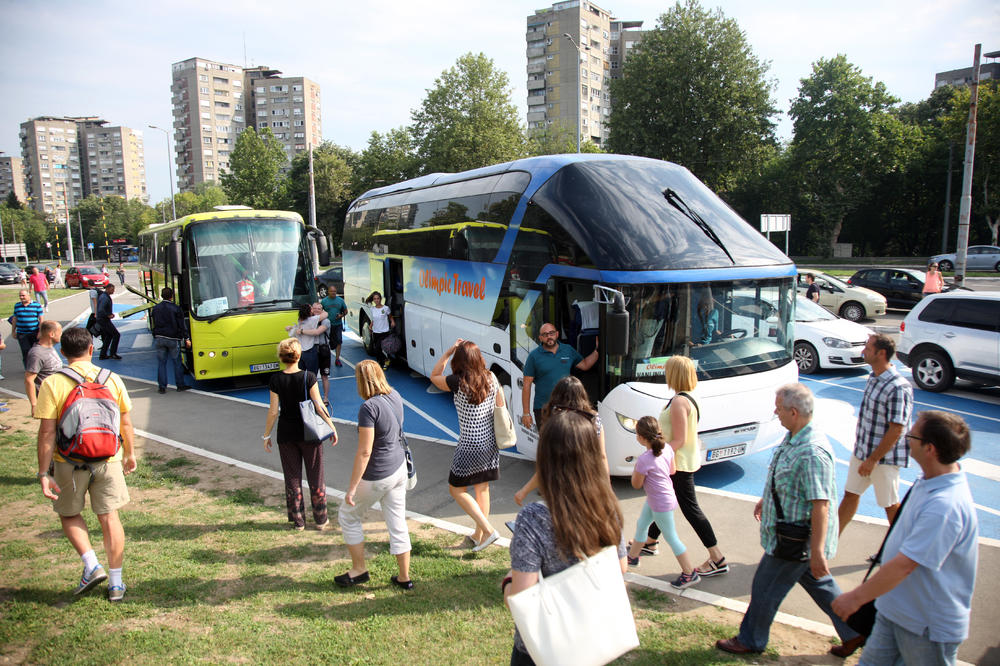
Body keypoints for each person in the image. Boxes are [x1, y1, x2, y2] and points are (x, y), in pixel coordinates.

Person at [716, 383, 862, 657]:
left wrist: (817, 551)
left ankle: (751, 639)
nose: (776, 412)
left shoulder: (811, 451)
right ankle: (854, 631)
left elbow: (821, 505)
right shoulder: (795, 436)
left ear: (794, 412)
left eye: (779, 408)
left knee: (765, 588)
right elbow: (788, 478)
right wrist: (768, 497)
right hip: (796, 540)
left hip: (796, 541)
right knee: (821, 585)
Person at [832, 411, 978, 665]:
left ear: (930, 449)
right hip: (894, 613)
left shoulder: (945, 506)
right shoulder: (929, 481)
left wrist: (856, 598)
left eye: (911, 436)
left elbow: (906, 565)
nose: (905, 439)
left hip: (925, 626)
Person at [503, 410, 628, 665]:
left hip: (543, 650)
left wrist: (506, 582)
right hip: (594, 640)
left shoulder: (534, 518)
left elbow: (521, 598)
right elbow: (621, 566)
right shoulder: (607, 506)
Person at [34, 326, 137, 602]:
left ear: (62, 352)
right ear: (91, 349)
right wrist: (129, 453)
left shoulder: (53, 383)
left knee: (69, 513)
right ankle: (116, 584)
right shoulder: (111, 379)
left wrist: (44, 472)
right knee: (109, 517)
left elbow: (46, 432)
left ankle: (92, 564)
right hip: (108, 458)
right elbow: (125, 421)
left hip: (69, 461)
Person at [639, 356, 728, 577]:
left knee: (689, 509)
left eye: (668, 371)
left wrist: (656, 454)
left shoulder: (679, 402)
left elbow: (678, 439)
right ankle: (650, 541)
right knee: (659, 501)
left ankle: (717, 557)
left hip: (677, 464)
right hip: (679, 463)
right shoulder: (685, 398)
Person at [337, 359, 412, 588]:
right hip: (398, 468)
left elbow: (365, 451)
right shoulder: (395, 395)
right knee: (397, 521)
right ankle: (404, 577)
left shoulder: (368, 408)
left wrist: (352, 488)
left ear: (360, 381)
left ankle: (359, 569)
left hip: (378, 473)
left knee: (348, 516)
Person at [431, 339, 503, 551]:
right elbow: (500, 405)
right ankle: (479, 535)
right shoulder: (491, 377)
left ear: (460, 360)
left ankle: (488, 531)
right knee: (482, 487)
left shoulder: (457, 381)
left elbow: (434, 376)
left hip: (470, 443)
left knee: (456, 489)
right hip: (490, 441)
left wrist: (447, 353)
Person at [838, 334, 913, 535]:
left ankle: (900, 551)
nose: (863, 351)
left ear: (881, 353)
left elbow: (897, 429)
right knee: (850, 494)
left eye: (868, 348)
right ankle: (828, 544)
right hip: (862, 453)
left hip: (882, 460)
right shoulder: (874, 377)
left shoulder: (898, 387)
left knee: (890, 505)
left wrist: (873, 459)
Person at [262, 338, 338, 531]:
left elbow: (273, 411)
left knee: (292, 477)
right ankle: (321, 519)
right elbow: (320, 407)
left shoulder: (275, 379)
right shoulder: (309, 377)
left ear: (281, 357)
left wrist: (266, 435)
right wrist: (331, 426)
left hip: (286, 433)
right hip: (309, 433)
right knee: (316, 475)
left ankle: (298, 521)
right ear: (299, 355)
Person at [625, 416, 701, 589]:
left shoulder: (644, 459)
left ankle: (690, 573)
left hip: (660, 503)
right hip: (661, 498)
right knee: (642, 523)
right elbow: (672, 470)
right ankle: (633, 557)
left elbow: (636, 485)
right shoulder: (667, 448)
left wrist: (638, 470)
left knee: (671, 537)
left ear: (642, 438)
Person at [514, 375, 607, 505]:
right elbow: (602, 456)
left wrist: (524, 491)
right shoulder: (594, 418)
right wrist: (606, 489)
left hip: (561, 487)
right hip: (588, 482)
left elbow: (546, 465)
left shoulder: (554, 422)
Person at [520, 322, 598, 431]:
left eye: (551, 333)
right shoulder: (534, 356)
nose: (549, 337)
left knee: (566, 443)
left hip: (567, 407)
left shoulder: (568, 350)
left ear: (557, 334)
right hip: (543, 409)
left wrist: (597, 350)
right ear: (540, 338)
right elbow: (526, 385)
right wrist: (526, 413)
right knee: (547, 445)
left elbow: (585, 365)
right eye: (545, 334)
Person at [150, 287, 191, 393]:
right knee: (177, 362)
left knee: (161, 363)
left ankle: (162, 387)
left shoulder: (156, 308)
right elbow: (181, 325)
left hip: (159, 338)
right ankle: (180, 385)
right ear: (172, 296)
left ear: (162, 295)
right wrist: (186, 338)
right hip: (173, 338)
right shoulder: (176, 308)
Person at [24, 321, 63, 416]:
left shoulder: (49, 348)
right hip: (47, 401)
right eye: (60, 332)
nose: (61, 335)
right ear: (52, 334)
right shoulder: (37, 353)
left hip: (56, 397)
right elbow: (29, 380)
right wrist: (34, 404)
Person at [285, 303, 328, 378]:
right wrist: (322, 310)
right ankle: (312, 389)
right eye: (312, 308)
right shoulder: (313, 319)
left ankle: (302, 389)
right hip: (310, 351)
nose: (314, 310)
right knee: (312, 376)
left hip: (300, 351)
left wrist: (291, 328)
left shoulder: (299, 320)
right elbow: (326, 314)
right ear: (309, 311)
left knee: (301, 375)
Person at [12, 289, 44, 365]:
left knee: (35, 352)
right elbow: (14, 319)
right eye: (20, 295)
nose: (21, 297)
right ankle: (28, 368)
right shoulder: (17, 306)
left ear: (29, 296)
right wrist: (13, 331)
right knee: (25, 351)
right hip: (22, 333)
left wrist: (40, 332)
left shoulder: (36, 305)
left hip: (34, 332)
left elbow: (41, 319)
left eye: (23, 295)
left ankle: (36, 366)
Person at [364, 291, 394, 370]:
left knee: (378, 348)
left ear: (380, 299)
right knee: (377, 349)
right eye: (374, 299)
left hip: (384, 332)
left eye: (378, 298)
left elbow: (390, 316)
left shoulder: (385, 308)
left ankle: (383, 362)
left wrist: (392, 321)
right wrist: (370, 326)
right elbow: (374, 320)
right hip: (375, 332)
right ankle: (382, 362)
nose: (376, 300)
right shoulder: (372, 309)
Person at [320, 284, 348, 369]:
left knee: (339, 341)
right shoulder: (324, 301)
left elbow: (346, 311)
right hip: (327, 325)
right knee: (329, 343)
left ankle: (337, 359)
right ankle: (327, 359)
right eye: (332, 291)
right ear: (328, 292)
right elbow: (319, 311)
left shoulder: (340, 300)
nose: (333, 293)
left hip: (338, 324)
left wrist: (341, 315)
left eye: (335, 291)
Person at [96, 284, 122, 360]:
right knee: (116, 335)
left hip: (102, 319)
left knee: (109, 336)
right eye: (112, 289)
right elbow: (101, 310)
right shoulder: (105, 297)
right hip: (103, 319)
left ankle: (103, 354)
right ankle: (113, 353)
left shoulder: (104, 296)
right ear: (107, 289)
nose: (113, 291)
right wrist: (108, 315)